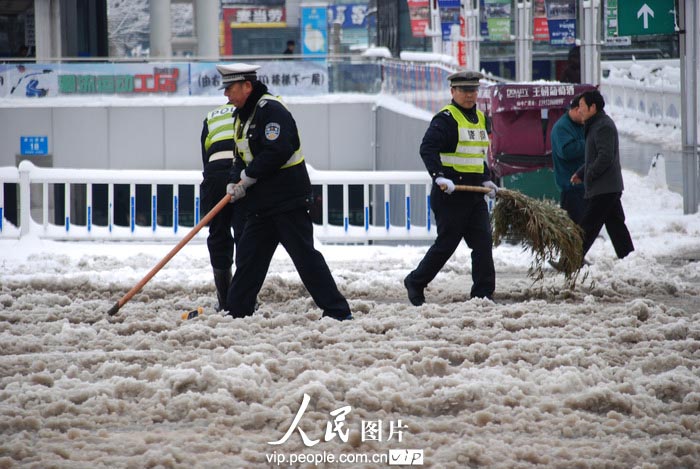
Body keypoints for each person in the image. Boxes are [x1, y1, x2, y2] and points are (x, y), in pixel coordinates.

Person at [223, 63, 352, 321]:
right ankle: (236, 312)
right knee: (248, 258)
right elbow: (240, 155)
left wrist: (249, 177)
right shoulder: (241, 116)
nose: (226, 95)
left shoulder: (271, 110)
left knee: (305, 258)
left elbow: (278, 150)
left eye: (230, 89)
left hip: (287, 200)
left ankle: (338, 312)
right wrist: (234, 179)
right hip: (261, 204)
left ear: (247, 86)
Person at [404, 70, 498, 305]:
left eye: (474, 90)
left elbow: (477, 154)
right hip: (450, 194)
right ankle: (415, 281)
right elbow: (427, 148)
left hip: (474, 194)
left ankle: (483, 294)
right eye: (465, 90)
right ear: (453, 91)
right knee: (446, 245)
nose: (470, 95)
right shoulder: (446, 119)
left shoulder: (481, 118)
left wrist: (486, 177)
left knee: (483, 243)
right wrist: (438, 176)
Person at [199, 64, 248, 311]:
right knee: (244, 234)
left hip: (215, 176)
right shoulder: (250, 110)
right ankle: (243, 297)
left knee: (218, 235)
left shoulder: (212, 116)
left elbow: (206, 158)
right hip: (242, 174)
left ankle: (225, 299)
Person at [570, 89, 634, 264]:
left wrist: (589, 174)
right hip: (606, 186)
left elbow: (605, 156)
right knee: (615, 225)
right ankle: (629, 258)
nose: (579, 109)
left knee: (588, 226)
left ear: (593, 107)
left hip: (604, 187)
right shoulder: (595, 124)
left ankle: (570, 260)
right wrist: (581, 173)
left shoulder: (603, 126)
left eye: (582, 106)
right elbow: (594, 157)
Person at [550, 95, 586, 224]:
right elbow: (566, 151)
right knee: (576, 227)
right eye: (584, 112)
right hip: (571, 188)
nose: (586, 117)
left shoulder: (581, 124)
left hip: (585, 186)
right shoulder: (562, 127)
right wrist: (589, 143)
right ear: (577, 109)